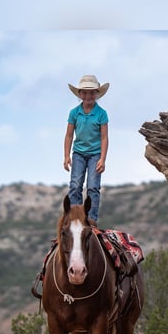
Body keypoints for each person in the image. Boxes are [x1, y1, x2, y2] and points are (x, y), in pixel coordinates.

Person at [64, 74, 109, 225]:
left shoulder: (101, 114)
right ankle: (75, 217)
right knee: (75, 185)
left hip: (95, 154)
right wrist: (66, 156)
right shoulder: (74, 113)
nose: (88, 95)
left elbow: (104, 137)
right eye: (84, 92)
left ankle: (91, 219)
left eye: (91, 92)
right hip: (78, 153)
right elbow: (69, 135)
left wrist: (102, 159)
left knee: (93, 186)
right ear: (80, 94)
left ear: (97, 94)